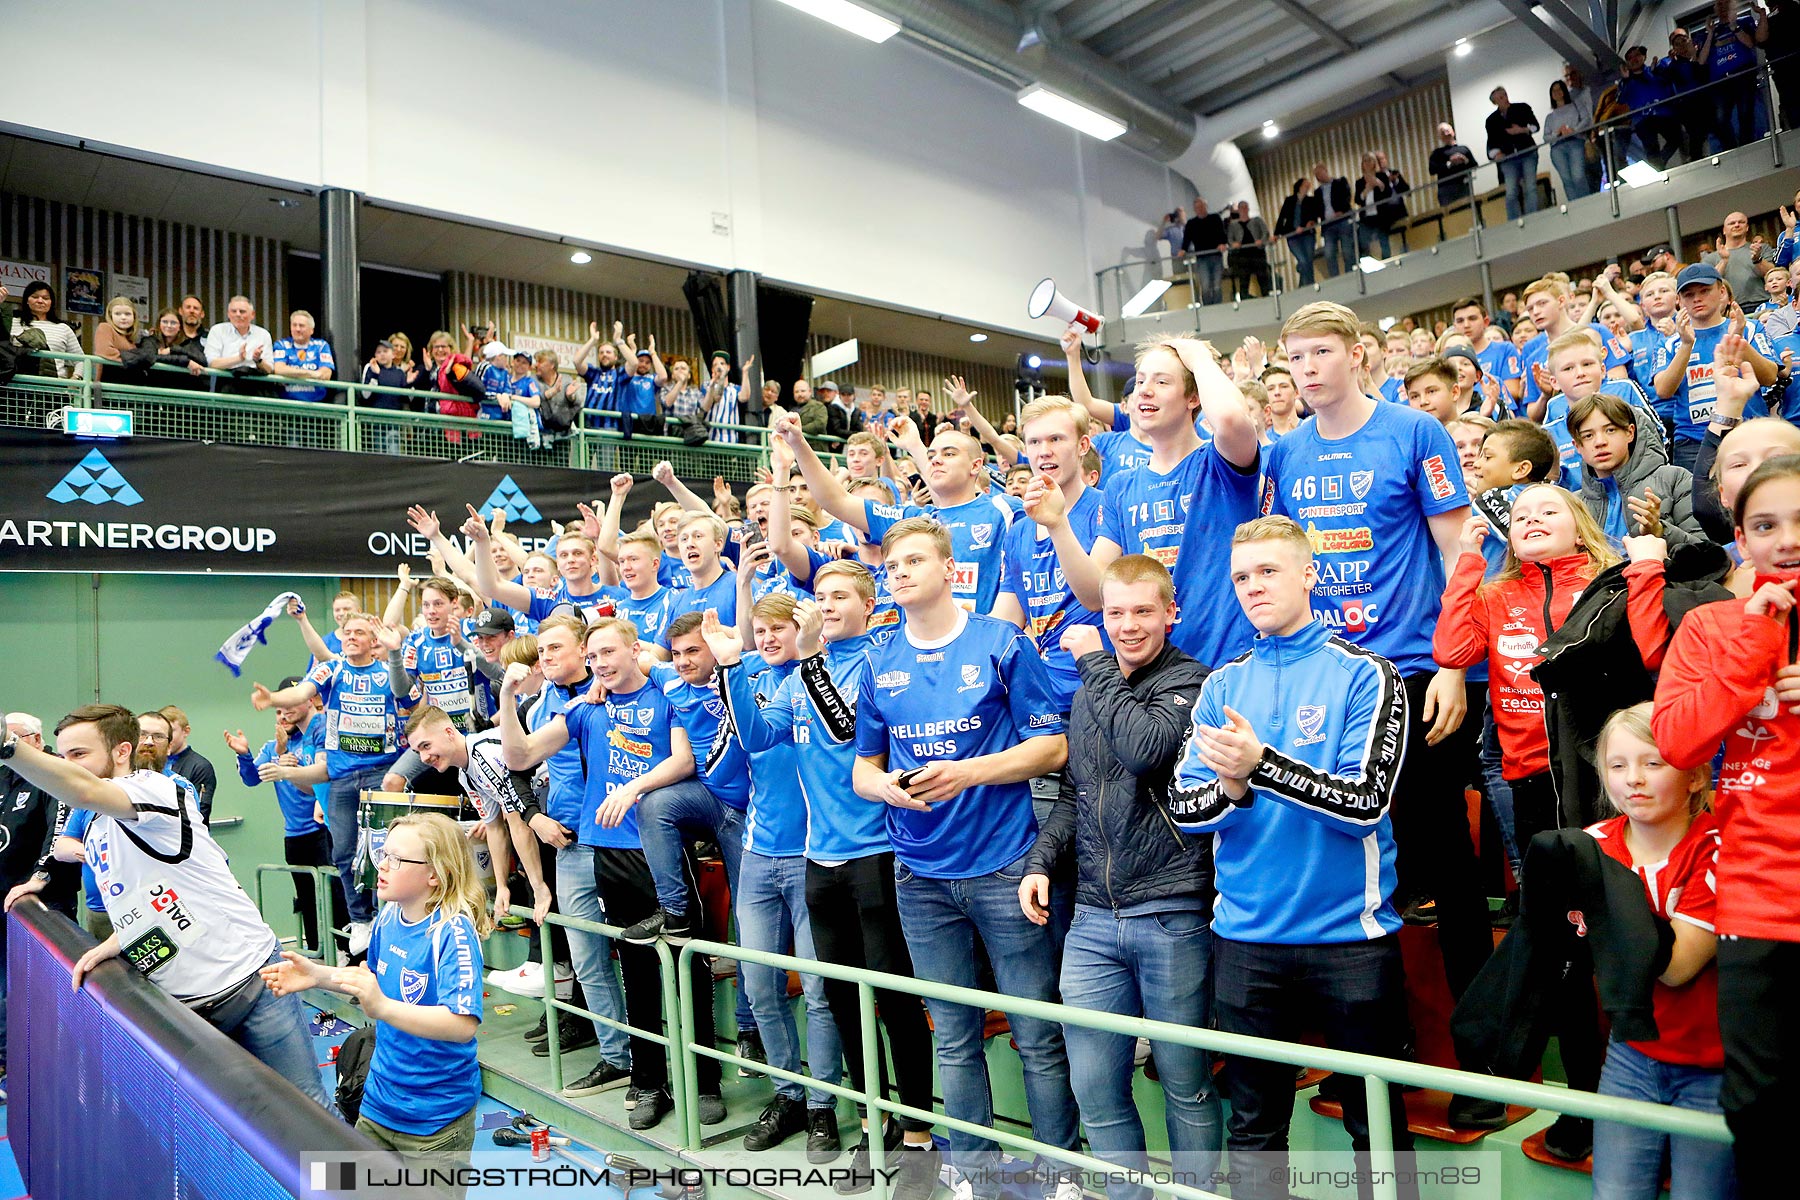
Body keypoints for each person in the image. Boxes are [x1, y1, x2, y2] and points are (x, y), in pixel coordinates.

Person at [1260, 301, 1493, 1075]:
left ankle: (1480, 1062)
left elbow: (1460, 549)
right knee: (1346, 862)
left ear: (1358, 353)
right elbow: (1278, 562)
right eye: (1295, 358)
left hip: (1412, 671)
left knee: (1448, 869)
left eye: (1321, 352)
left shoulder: (1415, 431)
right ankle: (1374, 1054)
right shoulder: (1285, 452)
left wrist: (1457, 662)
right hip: (1325, 677)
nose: (1307, 369)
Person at [1166, 516, 1414, 1200]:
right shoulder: (1222, 686)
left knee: (1378, 1130)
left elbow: (1365, 802)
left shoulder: (1370, 674)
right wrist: (1236, 786)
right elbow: (1186, 811)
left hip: (1351, 941)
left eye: (1269, 571)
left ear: (1310, 574)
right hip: (1245, 939)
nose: (1253, 587)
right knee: (1253, 1129)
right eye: (1242, 577)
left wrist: (1261, 766)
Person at [851, 516, 1078, 1200]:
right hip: (918, 871)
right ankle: (974, 1173)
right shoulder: (878, 659)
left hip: (1005, 863)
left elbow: (1054, 749)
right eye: (892, 563)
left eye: (916, 559)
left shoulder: (1002, 642)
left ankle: (1061, 1170)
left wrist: (968, 773)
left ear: (952, 570)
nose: (901, 571)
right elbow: (862, 768)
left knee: (1036, 1031)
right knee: (953, 1036)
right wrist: (886, 784)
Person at [716, 559, 938, 1191]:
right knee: (842, 1001)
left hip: (877, 851)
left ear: (869, 606)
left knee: (892, 999)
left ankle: (916, 1134)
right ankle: (872, 1126)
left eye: (841, 596)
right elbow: (760, 737)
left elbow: (844, 728)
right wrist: (735, 668)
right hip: (821, 857)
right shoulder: (799, 671)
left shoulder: (878, 659)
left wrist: (809, 657)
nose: (828, 604)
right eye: (821, 595)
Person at [0, 705, 329, 1107]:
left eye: (79, 755)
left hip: (251, 984)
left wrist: (8, 745)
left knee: (309, 1113)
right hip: (184, 1006)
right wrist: (117, 941)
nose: (69, 766)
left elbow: (80, 789)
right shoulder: (98, 824)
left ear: (122, 751)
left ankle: (340, 1173)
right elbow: (146, 894)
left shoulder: (154, 790)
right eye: (64, 756)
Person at [1019, 554, 1221, 1200]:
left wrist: (1094, 662)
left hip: (1171, 911)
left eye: (1142, 611)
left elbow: (1144, 748)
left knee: (1185, 1082)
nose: (1128, 625)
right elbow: (1077, 797)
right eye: (1114, 614)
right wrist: (1039, 862)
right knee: (1095, 1086)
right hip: (1094, 922)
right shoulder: (1091, 691)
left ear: (1171, 613)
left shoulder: (1192, 681)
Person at [497, 619, 727, 1131]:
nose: (601, 662)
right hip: (607, 851)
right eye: (595, 655)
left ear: (633, 650)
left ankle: (705, 1079)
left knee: (690, 965)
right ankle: (649, 1081)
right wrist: (509, 701)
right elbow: (521, 755)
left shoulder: (666, 692)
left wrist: (632, 790)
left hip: (660, 848)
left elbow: (685, 760)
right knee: (638, 969)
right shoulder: (583, 709)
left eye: (609, 652)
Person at [1651, 453, 1800, 1195]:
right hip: (1758, 902)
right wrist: (1749, 655)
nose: (1786, 539)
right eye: (1766, 524)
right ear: (1740, 536)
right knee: (1760, 1107)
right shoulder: (1712, 626)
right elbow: (1677, 742)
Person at [261, 812, 486, 1175]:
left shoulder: (452, 932)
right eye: (383, 854)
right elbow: (371, 981)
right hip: (378, 1106)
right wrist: (318, 975)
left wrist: (381, 1006)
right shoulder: (388, 916)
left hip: (435, 1122)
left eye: (396, 859)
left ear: (434, 874)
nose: (382, 865)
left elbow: (461, 1025)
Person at [1582, 704, 1735, 1200]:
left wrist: (1603, 894)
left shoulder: (1717, 849)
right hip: (1631, 1057)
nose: (1634, 781)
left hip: (1710, 1069)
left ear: (1694, 776)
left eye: (1653, 763)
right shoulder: (1591, 845)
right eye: (1618, 766)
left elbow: (1675, 967)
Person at [1043, 337, 1261, 673]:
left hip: (1228, 665)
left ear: (1193, 397)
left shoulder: (1220, 462)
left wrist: (1199, 357)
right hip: (1154, 678)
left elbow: (1231, 418)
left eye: (1162, 381)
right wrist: (1057, 525)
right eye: (1141, 380)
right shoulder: (1121, 486)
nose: (1144, 391)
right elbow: (1094, 594)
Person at [250, 611, 406, 956]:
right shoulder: (332, 668)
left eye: (359, 632)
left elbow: (404, 692)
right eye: (347, 632)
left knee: (385, 851)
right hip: (342, 777)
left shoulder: (386, 670)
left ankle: (391, 915)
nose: (350, 637)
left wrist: (394, 653)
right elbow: (303, 692)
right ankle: (361, 919)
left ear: (373, 640)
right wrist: (273, 700)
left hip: (382, 772)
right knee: (344, 852)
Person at [225, 685, 341, 954]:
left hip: (323, 829)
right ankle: (316, 953)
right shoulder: (272, 748)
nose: (283, 717)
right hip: (295, 834)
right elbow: (252, 778)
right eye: (277, 712)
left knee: (335, 894)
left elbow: (324, 779)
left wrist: (294, 768)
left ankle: (345, 949)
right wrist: (244, 754)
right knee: (307, 898)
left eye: (287, 711)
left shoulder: (314, 738)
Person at [1654, 264, 1780, 473]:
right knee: (1701, 506)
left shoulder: (1749, 328)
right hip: (1693, 441)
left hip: (1749, 431)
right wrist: (1686, 345)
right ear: (1679, 300)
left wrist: (1737, 340)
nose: (1697, 299)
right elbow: (1663, 390)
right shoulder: (1669, 343)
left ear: (1722, 292)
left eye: (1704, 291)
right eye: (1689, 294)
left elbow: (1770, 377)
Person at [1569, 391, 1706, 549]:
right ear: (1578, 446)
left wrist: (1659, 531)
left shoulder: (1675, 479)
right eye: (1588, 436)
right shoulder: (1573, 505)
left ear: (1630, 433)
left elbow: (1707, 555)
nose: (1600, 442)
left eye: (1610, 430)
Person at [1485, 86, 1541, 220]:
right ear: (1495, 102)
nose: (1504, 98)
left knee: (1531, 187)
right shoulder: (1491, 121)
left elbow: (1535, 126)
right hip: (1508, 159)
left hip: (1527, 153)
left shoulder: (1522, 108)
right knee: (1511, 192)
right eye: (1500, 97)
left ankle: (1532, 219)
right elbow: (1491, 142)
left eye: (1504, 95)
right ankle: (1514, 223)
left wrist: (1522, 130)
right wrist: (1496, 153)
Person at [9, 281, 85, 378]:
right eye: (35, 297)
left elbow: (81, 360)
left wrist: (76, 379)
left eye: (45, 298)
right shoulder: (13, 323)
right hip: (17, 384)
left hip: (54, 386)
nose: (40, 301)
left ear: (51, 302)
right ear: (27, 300)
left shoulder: (63, 328)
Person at [203, 295, 275, 393]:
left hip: (256, 384)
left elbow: (269, 369)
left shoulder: (263, 334)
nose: (237, 314)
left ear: (252, 315)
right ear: (228, 314)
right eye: (233, 311)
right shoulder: (217, 330)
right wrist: (239, 358)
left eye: (242, 311)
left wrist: (258, 360)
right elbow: (212, 363)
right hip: (227, 384)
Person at [1702, 211, 1774, 308]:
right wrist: (1723, 260)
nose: (1737, 225)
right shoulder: (1710, 258)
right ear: (1724, 230)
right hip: (1729, 307)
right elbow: (1707, 283)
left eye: (1741, 222)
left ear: (1747, 227)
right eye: (1732, 223)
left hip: (1763, 303)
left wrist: (1758, 259)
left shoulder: (1761, 248)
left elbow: (1773, 274)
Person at [266, 310, 336, 403]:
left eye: (301, 326)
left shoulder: (321, 345)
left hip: (316, 405)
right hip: (286, 404)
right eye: (294, 325)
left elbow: (325, 374)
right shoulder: (281, 344)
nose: (297, 329)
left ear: (311, 330)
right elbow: (279, 369)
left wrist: (291, 373)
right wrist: (311, 373)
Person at [1545, 80, 1595, 202]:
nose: (1556, 93)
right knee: (1567, 179)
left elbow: (1586, 120)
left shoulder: (1576, 105)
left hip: (1575, 142)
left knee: (1578, 176)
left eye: (1559, 89)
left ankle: (1586, 204)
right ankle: (1575, 206)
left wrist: (1574, 130)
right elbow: (1546, 137)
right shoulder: (1550, 117)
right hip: (1557, 147)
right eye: (1553, 90)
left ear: (1564, 91)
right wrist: (1557, 133)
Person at [1274, 178, 1322, 288]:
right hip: (1293, 235)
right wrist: (1277, 233)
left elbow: (1315, 214)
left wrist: (1311, 222)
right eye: (1305, 186)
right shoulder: (1289, 201)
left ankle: (1304, 285)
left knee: (1308, 260)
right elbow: (1282, 217)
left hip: (1307, 234)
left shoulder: (1311, 200)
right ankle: (1309, 284)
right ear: (1299, 187)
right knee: (1304, 260)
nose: (1307, 188)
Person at [1311, 163, 1356, 278]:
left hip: (1343, 220)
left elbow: (1347, 196)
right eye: (1317, 175)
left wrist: (1342, 210)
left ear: (1326, 171)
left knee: (1347, 250)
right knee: (1329, 253)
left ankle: (1350, 275)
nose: (1319, 177)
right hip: (1328, 225)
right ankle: (1335, 277)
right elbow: (1316, 209)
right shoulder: (1317, 192)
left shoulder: (1340, 182)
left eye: (1320, 173)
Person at [1181, 199, 1227, 305]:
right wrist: (1183, 250)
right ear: (1194, 210)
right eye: (1197, 208)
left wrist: (1222, 243)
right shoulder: (1191, 223)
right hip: (1201, 258)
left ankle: (1218, 306)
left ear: (1206, 206)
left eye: (1201, 207)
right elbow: (1186, 239)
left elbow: (1222, 234)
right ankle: (1207, 308)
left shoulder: (1215, 218)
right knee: (1205, 286)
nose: (1199, 209)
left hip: (1216, 256)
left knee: (1217, 285)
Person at [1226, 200, 1272, 297]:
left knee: (1263, 279)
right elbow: (1229, 239)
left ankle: (1267, 297)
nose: (1243, 210)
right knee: (1244, 281)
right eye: (1241, 208)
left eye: (1245, 207)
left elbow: (1265, 232)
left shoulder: (1257, 220)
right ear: (1238, 210)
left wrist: (1261, 240)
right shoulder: (1233, 225)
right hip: (1242, 256)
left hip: (1257, 254)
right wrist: (1233, 244)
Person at [1429, 122, 1478, 206]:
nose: (1445, 133)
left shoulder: (1464, 149)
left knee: (1467, 210)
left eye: (1447, 130)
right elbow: (1432, 170)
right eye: (1442, 132)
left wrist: (1465, 160)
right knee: (1450, 215)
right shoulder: (1437, 153)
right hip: (1446, 189)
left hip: (1464, 185)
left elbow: (1474, 165)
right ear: (1440, 137)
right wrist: (1449, 164)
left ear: (1453, 132)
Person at [91, 295, 140, 374]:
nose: (123, 317)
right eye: (117, 314)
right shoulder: (105, 327)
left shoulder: (131, 338)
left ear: (134, 316)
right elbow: (105, 351)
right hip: (107, 381)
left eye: (127, 314)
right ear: (111, 316)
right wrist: (136, 360)